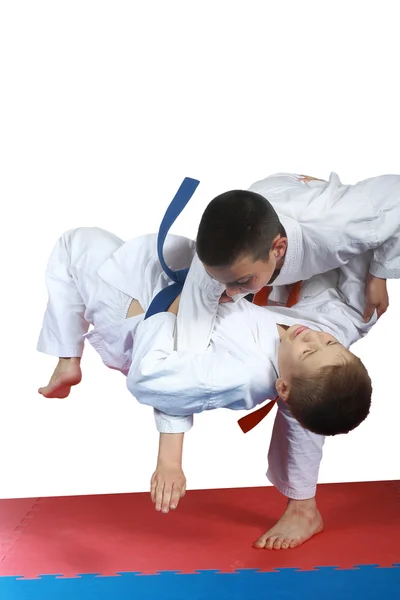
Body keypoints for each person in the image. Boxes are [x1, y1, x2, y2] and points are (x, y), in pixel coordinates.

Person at [37, 226, 375, 551]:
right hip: (157, 285)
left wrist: (169, 459)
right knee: (322, 382)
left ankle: (68, 355)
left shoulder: (240, 373)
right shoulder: (300, 345)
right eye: (329, 342)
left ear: (281, 387)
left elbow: (158, 378)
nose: (312, 336)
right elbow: (323, 340)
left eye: (311, 349)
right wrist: (377, 273)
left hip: (135, 310)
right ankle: (67, 355)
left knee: (73, 245)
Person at [169, 172, 398, 356]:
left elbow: (395, 192)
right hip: (268, 195)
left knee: (363, 310)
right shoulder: (216, 254)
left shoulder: (340, 227)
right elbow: (189, 346)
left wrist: (378, 273)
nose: (228, 292)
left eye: (241, 280)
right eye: (221, 280)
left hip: (314, 211)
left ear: (279, 249)